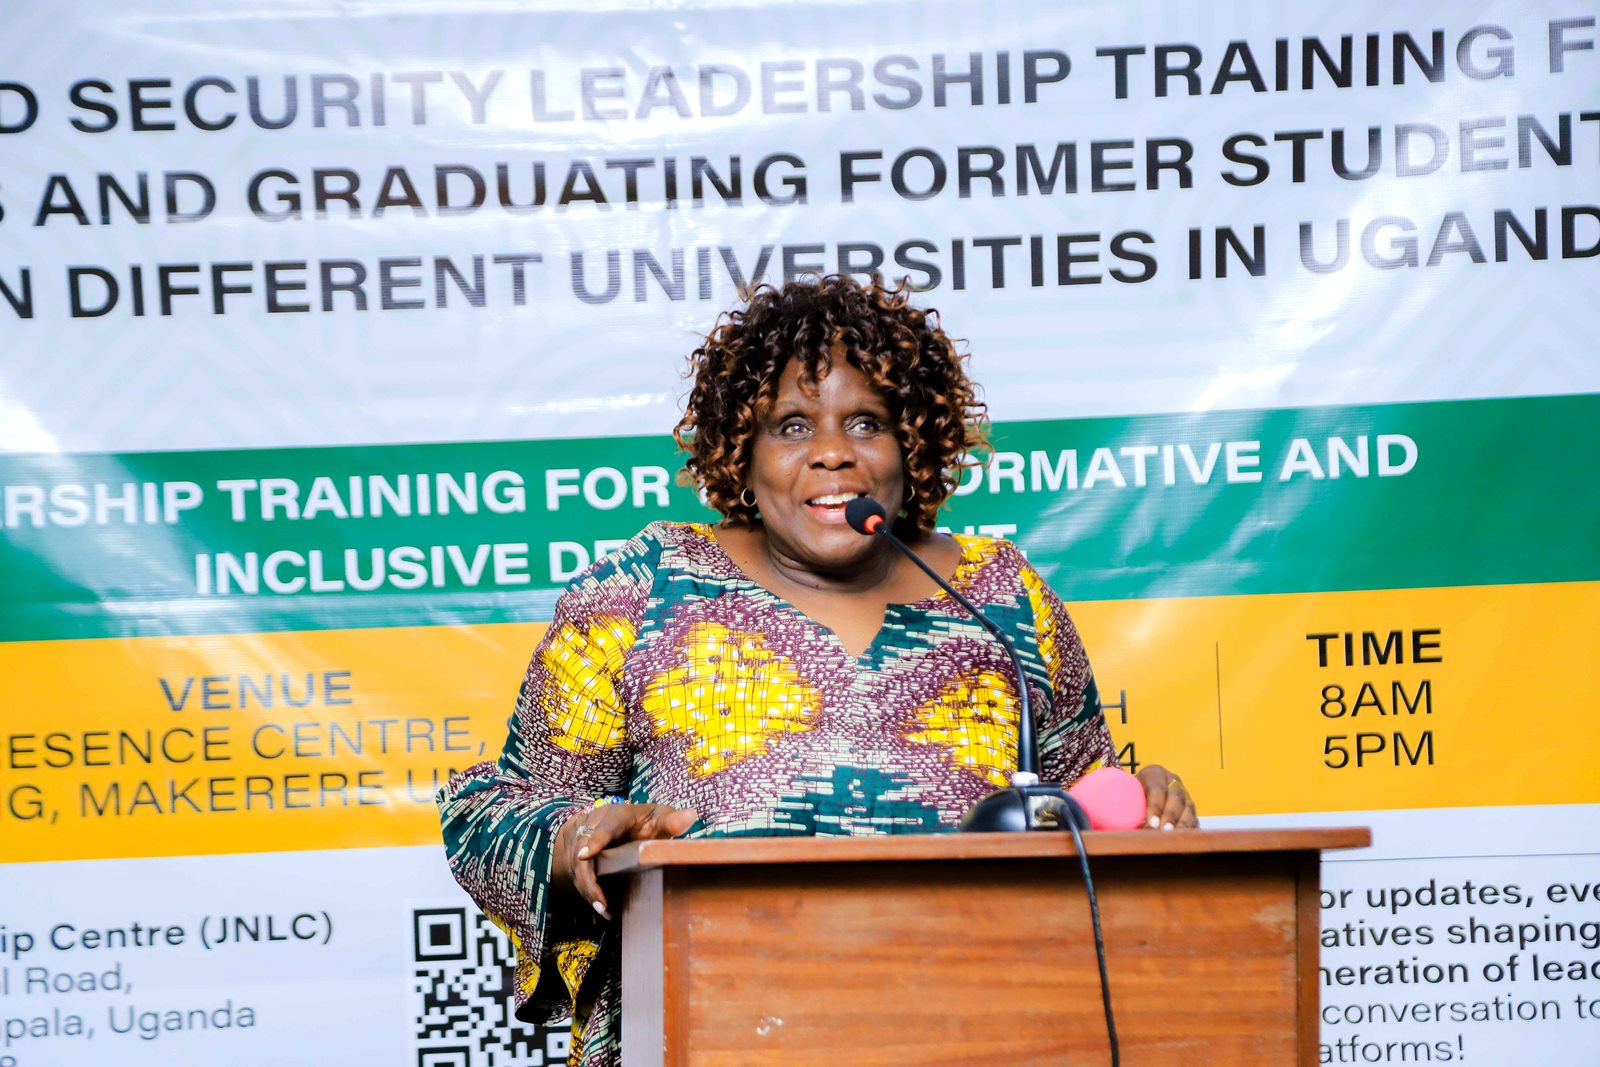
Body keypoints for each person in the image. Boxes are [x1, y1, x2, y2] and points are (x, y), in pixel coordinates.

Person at [437, 275, 1198, 1067]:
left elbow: (1076, 815)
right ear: (744, 451)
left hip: (977, 1033)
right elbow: (491, 809)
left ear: (914, 443)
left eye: (866, 421)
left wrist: (1140, 803)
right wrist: (572, 838)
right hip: (709, 1032)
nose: (832, 451)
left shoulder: (1001, 598)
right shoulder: (642, 588)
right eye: (791, 424)